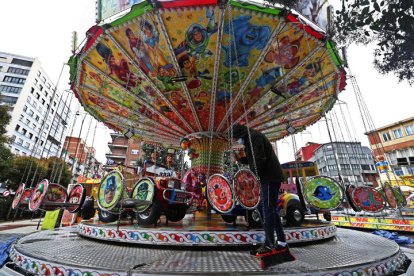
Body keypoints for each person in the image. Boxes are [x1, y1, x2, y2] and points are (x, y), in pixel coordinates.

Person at [232, 124, 293, 259]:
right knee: (270, 209)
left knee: (267, 209)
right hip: (268, 177)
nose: (237, 141)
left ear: (241, 134)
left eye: (237, 138)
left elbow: (259, 159)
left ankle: (269, 244)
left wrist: (253, 176)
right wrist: (240, 159)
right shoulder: (250, 140)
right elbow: (252, 159)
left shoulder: (255, 138)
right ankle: (282, 242)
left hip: (270, 177)